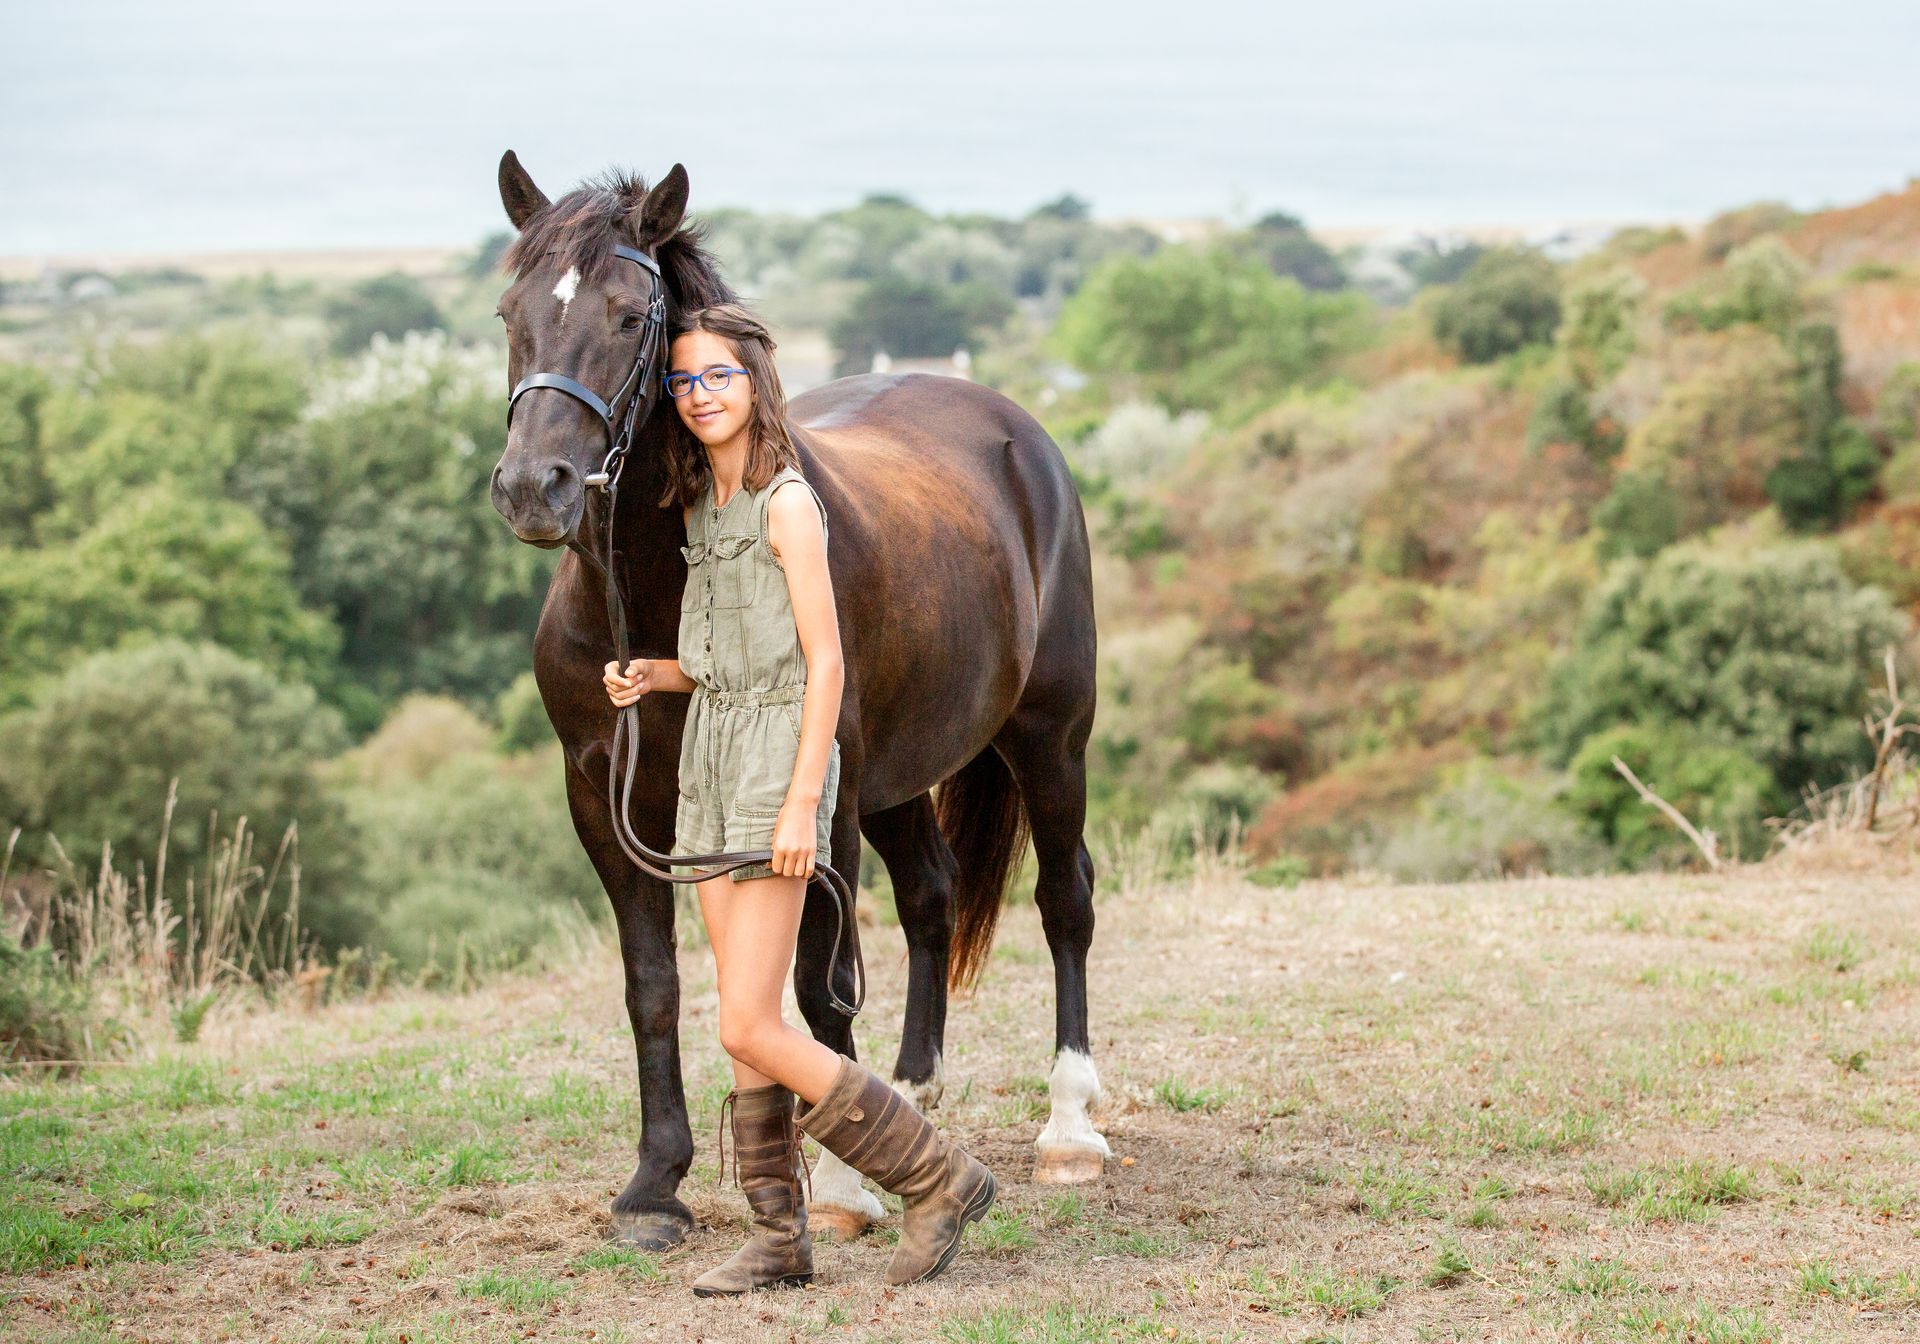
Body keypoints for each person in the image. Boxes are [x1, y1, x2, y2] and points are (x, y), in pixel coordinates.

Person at [603, 303, 997, 1296]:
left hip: (778, 760)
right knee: (747, 1011)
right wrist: (657, 677)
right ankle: (779, 1236)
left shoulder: (787, 505)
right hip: (711, 756)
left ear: (756, 385)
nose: (699, 398)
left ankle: (937, 1175)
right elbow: (730, 656)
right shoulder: (705, 511)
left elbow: (825, 666)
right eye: (683, 383)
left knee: (748, 1025)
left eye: (718, 379)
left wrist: (798, 806)